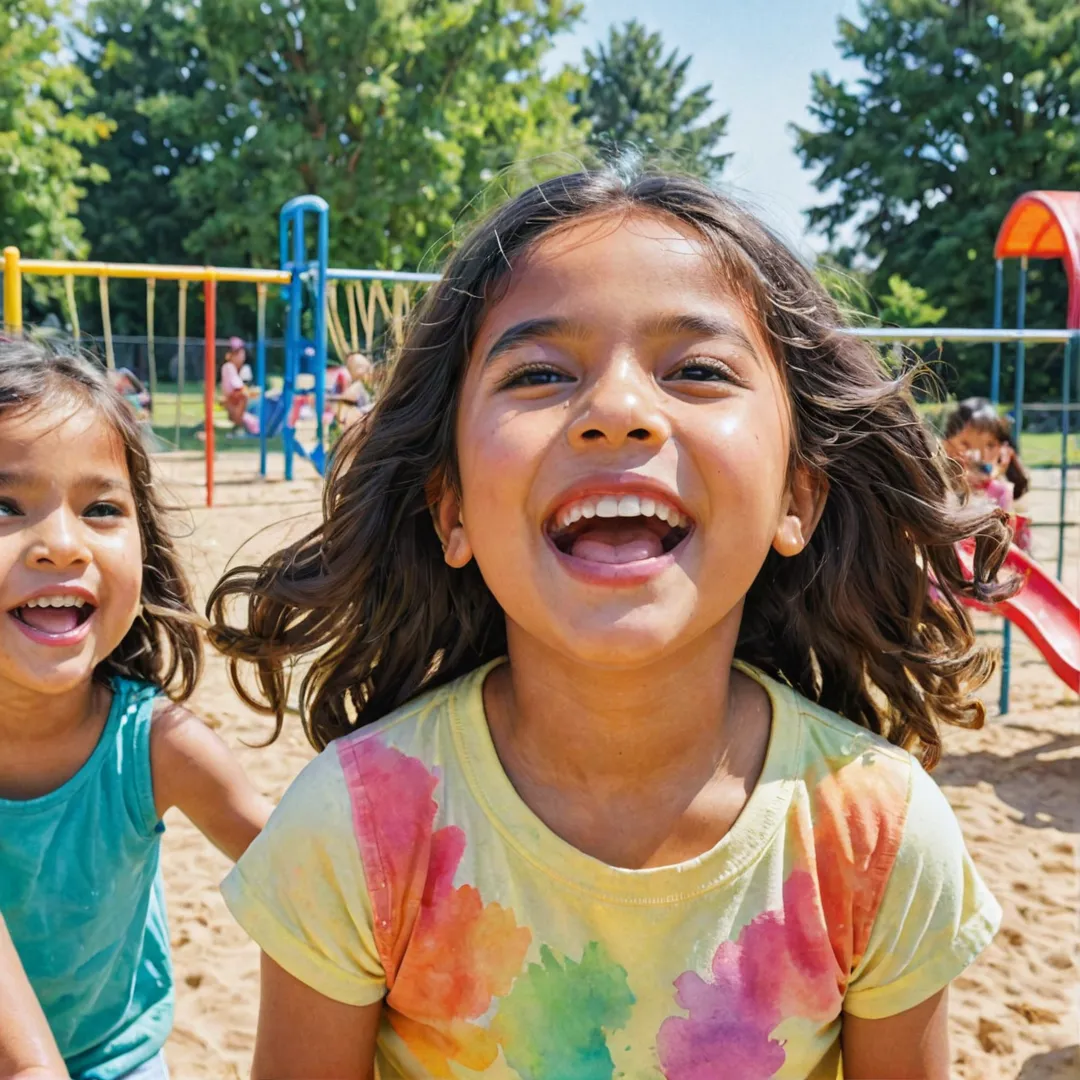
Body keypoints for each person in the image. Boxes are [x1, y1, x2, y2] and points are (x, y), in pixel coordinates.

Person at [209, 168, 1013, 1080]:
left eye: (698, 370)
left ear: (798, 496)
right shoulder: (355, 831)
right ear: (451, 510)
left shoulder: (877, 836)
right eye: (540, 373)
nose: (618, 412)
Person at [0, 342, 272, 1080]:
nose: (61, 544)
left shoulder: (154, 746)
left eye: (101, 509)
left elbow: (309, 880)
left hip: (112, 1063)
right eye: (4, 505)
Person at [943, 397, 1032, 551]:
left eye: (990, 445)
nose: (979, 455)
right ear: (946, 442)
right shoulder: (939, 482)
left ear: (1003, 447)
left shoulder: (1004, 489)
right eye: (965, 444)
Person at [220, 337, 257, 435]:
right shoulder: (229, 367)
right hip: (233, 404)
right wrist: (253, 393)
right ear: (231, 355)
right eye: (240, 354)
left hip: (232, 403)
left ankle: (244, 426)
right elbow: (240, 389)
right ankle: (240, 426)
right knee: (247, 397)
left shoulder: (234, 368)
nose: (243, 357)